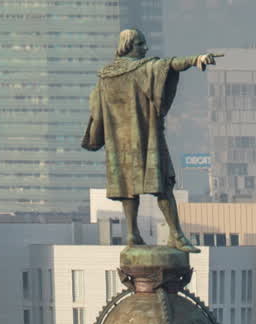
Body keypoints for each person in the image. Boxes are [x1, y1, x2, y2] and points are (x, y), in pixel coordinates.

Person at [82, 28, 220, 253]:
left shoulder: (105, 76)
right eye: (140, 44)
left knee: (129, 188)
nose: (145, 49)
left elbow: (95, 107)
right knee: (163, 186)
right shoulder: (141, 68)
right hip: (147, 139)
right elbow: (169, 64)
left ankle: (132, 234)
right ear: (127, 46)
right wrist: (196, 60)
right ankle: (175, 235)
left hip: (119, 145)